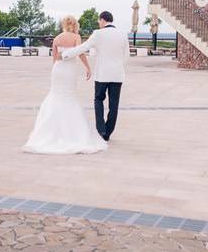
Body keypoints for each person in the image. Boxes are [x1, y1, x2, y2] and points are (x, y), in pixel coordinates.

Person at [22, 15, 107, 154]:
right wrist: (88, 67)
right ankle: (71, 132)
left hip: (58, 70)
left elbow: (54, 58)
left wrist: (55, 71)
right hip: (69, 70)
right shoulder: (76, 37)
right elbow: (80, 54)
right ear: (75, 25)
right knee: (69, 96)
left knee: (55, 95)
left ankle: (50, 131)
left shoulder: (57, 38)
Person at [61, 11, 129, 141]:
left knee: (98, 100)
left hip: (102, 75)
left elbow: (84, 47)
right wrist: (118, 66)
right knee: (114, 104)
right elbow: (127, 56)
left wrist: (66, 54)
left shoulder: (98, 34)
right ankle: (107, 133)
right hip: (117, 75)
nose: (99, 23)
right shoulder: (122, 34)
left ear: (102, 20)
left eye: (99, 21)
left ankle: (101, 129)